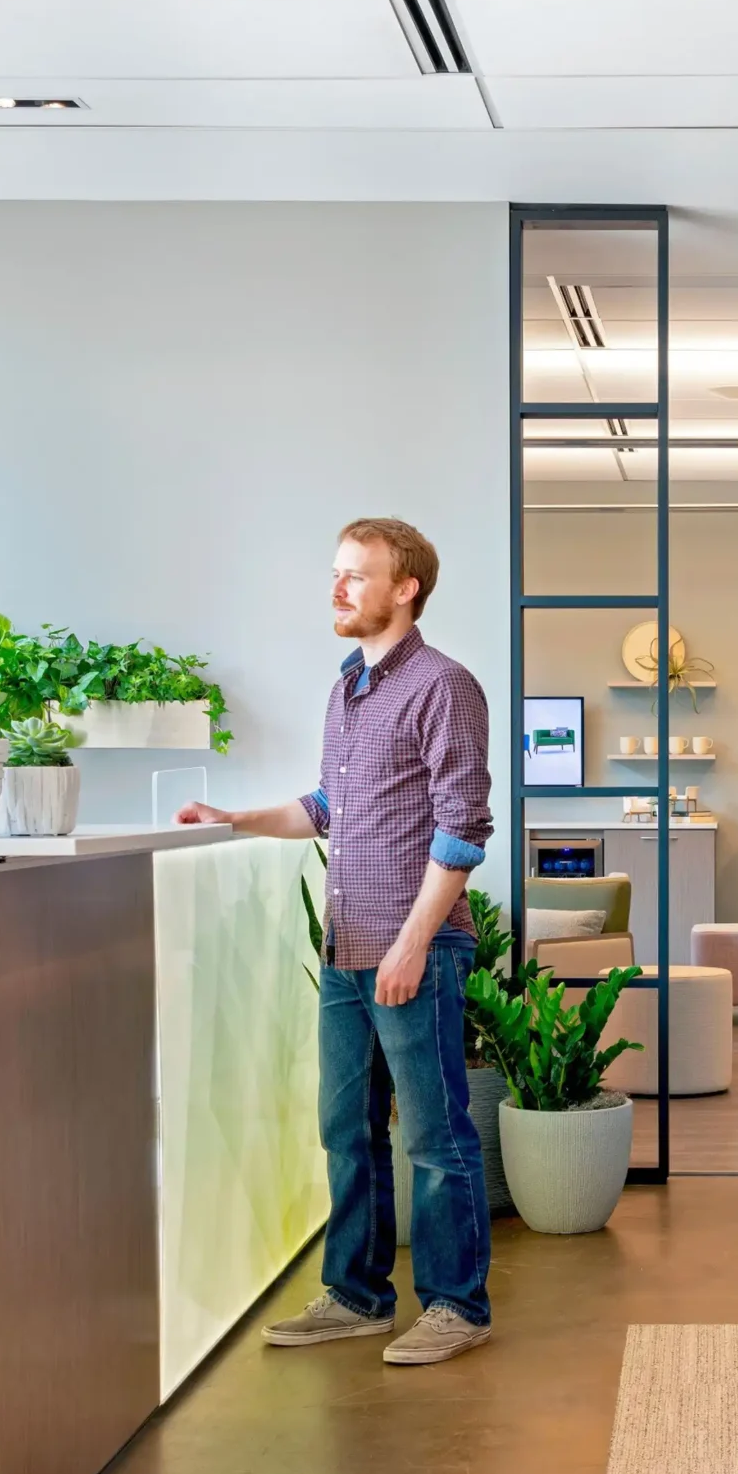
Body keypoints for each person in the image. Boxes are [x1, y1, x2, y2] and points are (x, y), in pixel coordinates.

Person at [177, 518, 496, 1366]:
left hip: (414, 951)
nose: (338, 588)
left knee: (434, 1136)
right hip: (347, 949)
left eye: (356, 575)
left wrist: (412, 944)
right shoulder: (346, 687)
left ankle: (458, 1308)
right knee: (345, 1130)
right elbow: (328, 808)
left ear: (406, 589)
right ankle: (357, 1295)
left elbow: (463, 831)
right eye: (336, 573)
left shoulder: (444, 686)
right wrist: (233, 817)